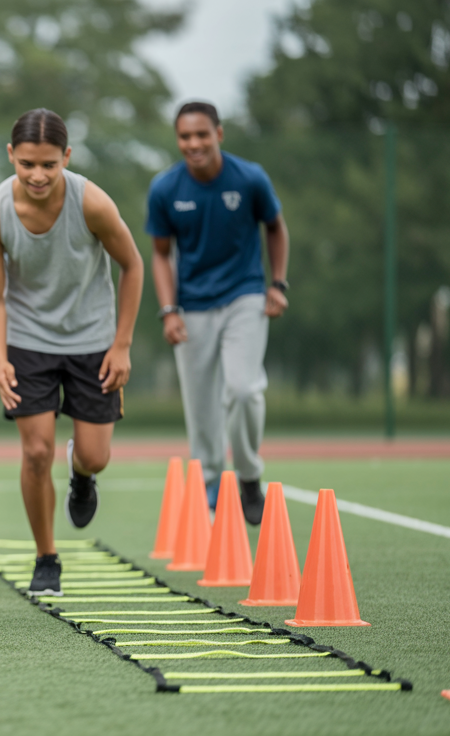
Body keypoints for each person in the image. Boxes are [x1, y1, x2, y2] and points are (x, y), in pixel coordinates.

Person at [0, 109, 144, 596]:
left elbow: (132, 266)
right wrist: (0, 357)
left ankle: (82, 474)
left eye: (49, 163)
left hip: (93, 340)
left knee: (96, 455)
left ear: (66, 157)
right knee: (35, 452)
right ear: (11, 156)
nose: (38, 175)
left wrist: (122, 344)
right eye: (27, 163)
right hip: (29, 341)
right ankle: (46, 556)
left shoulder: (93, 204)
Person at [146, 101, 290, 525]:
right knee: (202, 406)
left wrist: (277, 284)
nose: (194, 144)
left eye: (202, 135)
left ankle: (248, 475)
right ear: (178, 140)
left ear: (219, 135)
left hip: (245, 296)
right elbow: (159, 254)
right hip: (191, 306)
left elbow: (276, 227)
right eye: (186, 137)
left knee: (243, 390)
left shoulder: (249, 178)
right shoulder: (165, 188)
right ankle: (209, 483)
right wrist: (169, 311)